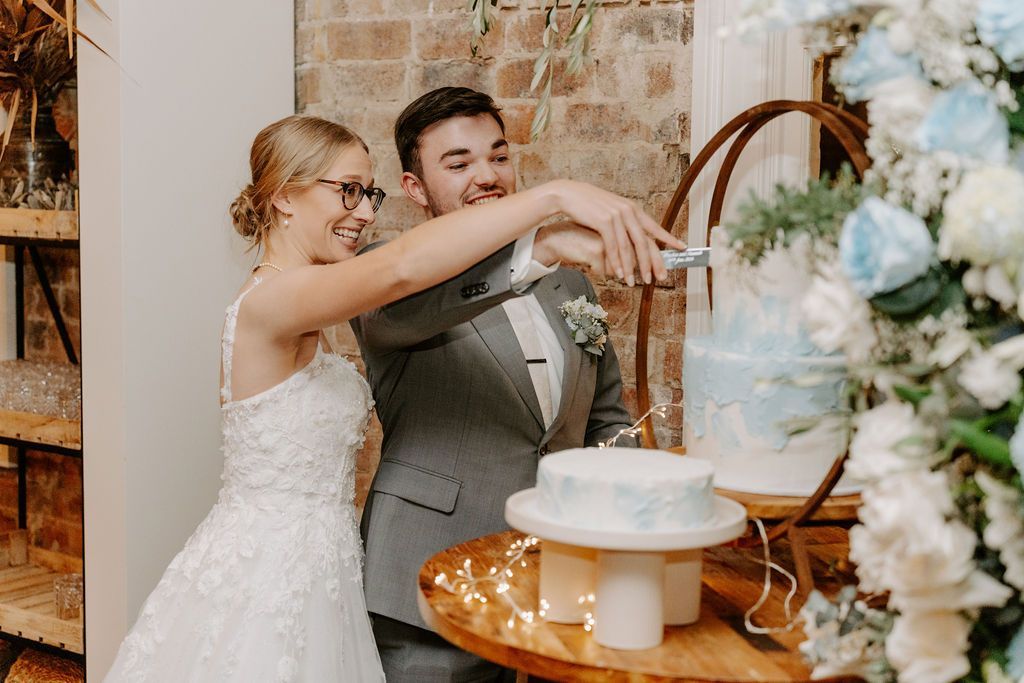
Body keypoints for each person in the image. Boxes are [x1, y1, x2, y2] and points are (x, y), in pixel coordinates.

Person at [101, 115, 681, 682]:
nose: (363, 212)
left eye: (368, 193)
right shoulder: (275, 300)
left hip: (325, 566)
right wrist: (555, 201)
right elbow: (402, 268)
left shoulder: (306, 299)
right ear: (283, 197)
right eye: (347, 191)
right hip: (269, 575)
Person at [355, 87, 651, 682]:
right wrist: (543, 241)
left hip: (558, 580)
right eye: (458, 164)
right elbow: (411, 303)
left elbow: (606, 419)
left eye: (498, 156)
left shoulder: (566, 284)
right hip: (430, 580)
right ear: (415, 189)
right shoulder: (385, 274)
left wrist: (638, 520)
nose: (486, 176)